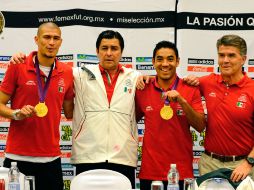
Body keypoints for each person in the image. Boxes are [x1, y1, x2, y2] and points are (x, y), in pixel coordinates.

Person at [0, 22, 74, 190]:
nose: (51, 43)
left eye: (56, 38)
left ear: (61, 42)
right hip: (17, 159)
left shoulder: (68, 72)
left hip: (51, 159)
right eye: (46, 37)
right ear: (36, 39)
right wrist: (16, 113)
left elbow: (70, 112)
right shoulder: (18, 65)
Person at [71, 30, 140, 188]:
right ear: (97, 51)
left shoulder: (135, 77)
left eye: (114, 48)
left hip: (123, 156)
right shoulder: (79, 75)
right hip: (88, 155)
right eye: (104, 48)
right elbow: (51, 69)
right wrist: (24, 58)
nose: (109, 53)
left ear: (121, 52)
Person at [135, 41, 206, 190]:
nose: (165, 64)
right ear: (153, 62)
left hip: (181, 172)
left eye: (170, 59)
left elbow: (200, 126)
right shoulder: (143, 87)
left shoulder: (190, 88)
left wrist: (182, 101)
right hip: (150, 172)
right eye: (160, 59)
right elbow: (129, 121)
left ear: (178, 61)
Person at [184, 34, 254, 182]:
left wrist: (249, 163)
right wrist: (146, 79)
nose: (225, 60)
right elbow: (173, 83)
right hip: (209, 164)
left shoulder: (252, 89)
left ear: (243, 59)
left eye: (231, 55)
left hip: (242, 166)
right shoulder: (208, 82)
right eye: (221, 55)